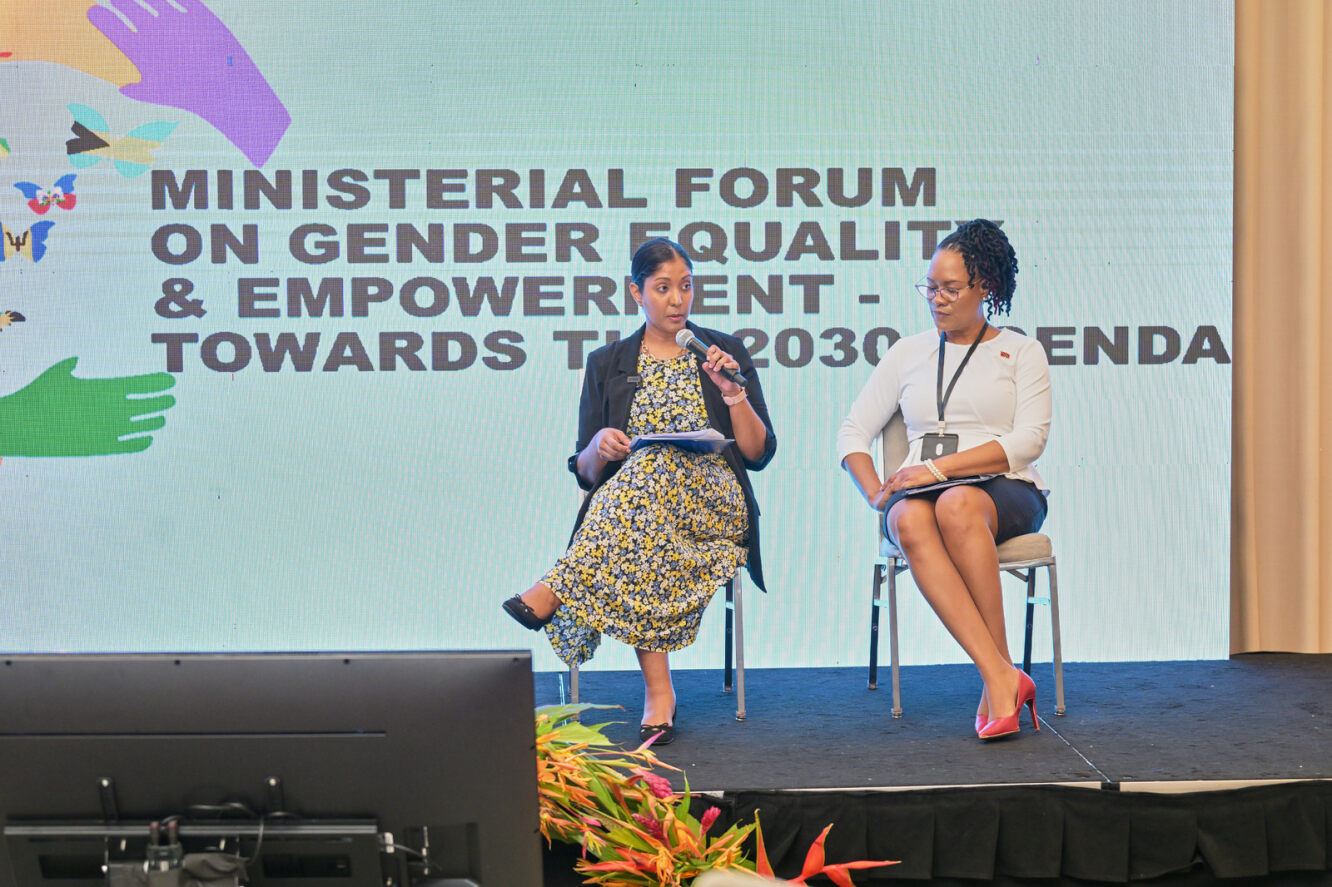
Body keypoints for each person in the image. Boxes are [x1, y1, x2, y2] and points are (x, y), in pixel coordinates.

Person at [503, 237, 776, 745]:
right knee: (643, 489)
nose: (678, 300)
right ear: (636, 292)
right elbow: (586, 472)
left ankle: (557, 589)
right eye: (663, 288)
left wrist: (732, 392)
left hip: (713, 503)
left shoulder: (723, 352)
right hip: (638, 510)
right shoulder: (608, 362)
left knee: (649, 473)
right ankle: (659, 697)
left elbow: (758, 453)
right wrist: (600, 447)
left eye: (687, 287)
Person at [836, 219, 1051, 740]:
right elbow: (852, 433)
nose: (936, 298)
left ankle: (996, 680)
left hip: (1005, 488)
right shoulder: (906, 352)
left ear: (987, 288)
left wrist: (934, 470)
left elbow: (1027, 442)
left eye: (950, 289)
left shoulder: (1022, 352)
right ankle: (1001, 675)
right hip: (918, 492)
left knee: (956, 503)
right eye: (930, 286)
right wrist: (874, 492)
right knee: (907, 516)